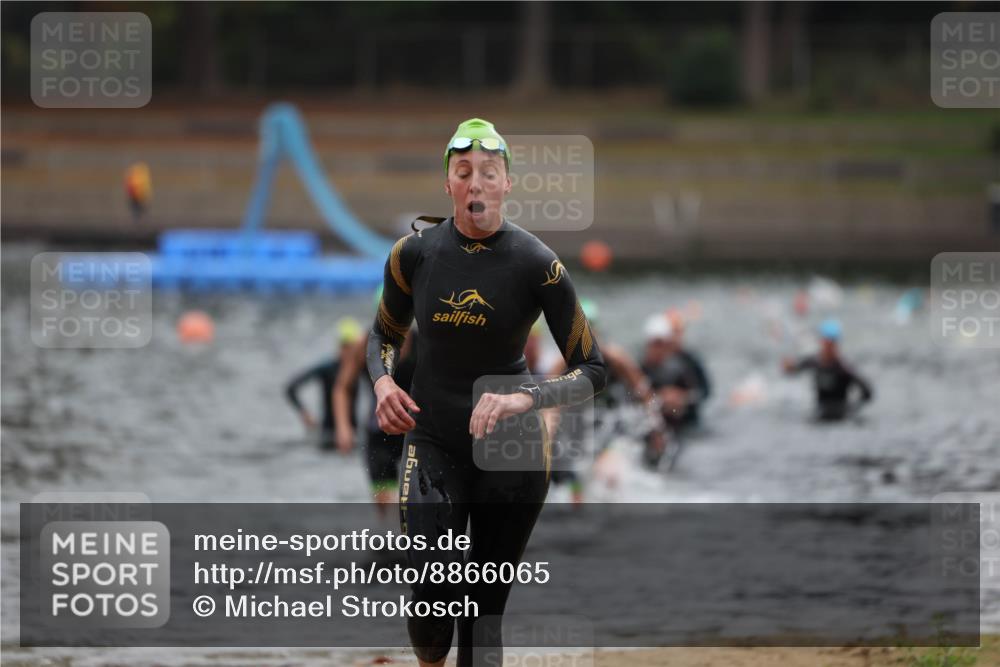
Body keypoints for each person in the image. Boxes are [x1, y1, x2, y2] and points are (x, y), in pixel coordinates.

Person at [367, 118, 607, 667]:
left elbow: (593, 367)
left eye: (489, 173)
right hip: (434, 441)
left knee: (482, 615)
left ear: (506, 185)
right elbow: (384, 334)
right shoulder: (414, 255)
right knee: (429, 600)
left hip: (513, 448)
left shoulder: (537, 264)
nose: (476, 184)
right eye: (464, 172)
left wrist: (528, 397)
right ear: (447, 183)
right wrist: (382, 381)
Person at [333, 292, 418, 514]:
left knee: (418, 503)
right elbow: (342, 387)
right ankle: (387, 540)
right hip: (379, 430)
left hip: (416, 431)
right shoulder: (364, 345)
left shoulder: (424, 343)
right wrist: (343, 427)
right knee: (385, 507)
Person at [639, 313, 711, 467]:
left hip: (683, 428)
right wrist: (657, 399)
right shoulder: (638, 369)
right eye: (654, 344)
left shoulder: (683, 367)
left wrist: (682, 399)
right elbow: (630, 398)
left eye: (662, 344)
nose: (658, 349)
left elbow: (702, 393)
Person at [284, 317, 362, 450]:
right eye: (353, 348)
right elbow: (291, 388)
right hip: (328, 435)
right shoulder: (326, 367)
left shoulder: (359, 369)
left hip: (353, 435)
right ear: (344, 346)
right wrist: (305, 413)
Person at [783, 318, 873, 421]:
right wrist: (788, 367)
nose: (828, 347)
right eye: (826, 342)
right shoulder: (814, 362)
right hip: (820, 411)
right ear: (821, 342)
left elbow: (868, 392)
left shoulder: (843, 368)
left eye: (832, 343)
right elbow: (794, 369)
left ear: (836, 344)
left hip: (840, 414)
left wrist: (852, 408)